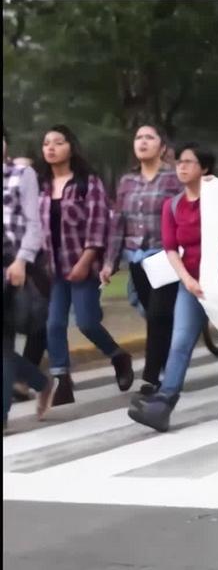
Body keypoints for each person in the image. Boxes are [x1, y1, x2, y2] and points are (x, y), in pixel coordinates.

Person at [127, 144, 218, 432]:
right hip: (191, 283)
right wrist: (187, 279)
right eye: (179, 162)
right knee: (180, 341)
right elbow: (171, 248)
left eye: (189, 162)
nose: (182, 167)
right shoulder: (172, 205)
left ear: (204, 168)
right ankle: (164, 402)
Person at [34, 125, 134, 406]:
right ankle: (63, 382)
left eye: (58, 142)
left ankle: (118, 356)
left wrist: (87, 259)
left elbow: (98, 223)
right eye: (46, 143)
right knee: (54, 325)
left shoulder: (88, 182)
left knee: (88, 322)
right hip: (53, 268)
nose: (51, 147)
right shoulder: (41, 185)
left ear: (71, 147)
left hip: (81, 265)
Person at [101, 125, 184, 398]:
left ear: (162, 147)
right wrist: (109, 263)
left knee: (159, 315)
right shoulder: (127, 181)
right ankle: (169, 363)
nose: (143, 142)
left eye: (150, 137)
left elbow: (184, 214)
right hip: (136, 258)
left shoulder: (174, 178)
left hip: (166, 256)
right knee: (155, 316)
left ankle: (150, 378)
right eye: (138, 137)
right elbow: (118, 223)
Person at [3, 127, 51, 421]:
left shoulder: (22, 175)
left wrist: (21, 261)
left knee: (5, 341)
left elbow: (34, 224)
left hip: (12, 264)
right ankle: (41, 382)